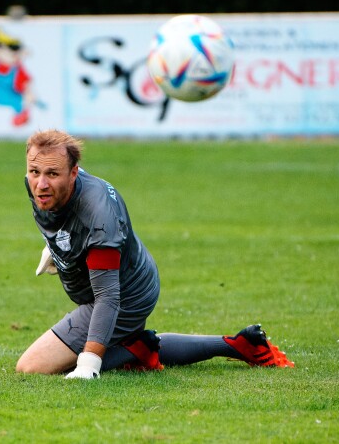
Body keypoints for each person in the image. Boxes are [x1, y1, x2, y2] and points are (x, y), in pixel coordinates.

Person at [16, 129, 293, 378]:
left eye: (52, 174)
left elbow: (108, 297)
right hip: (122, 280)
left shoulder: (98, 215)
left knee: (32, 366)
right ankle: (239, 344)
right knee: (96, 343)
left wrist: (88, 365)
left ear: (74, 172)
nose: (41, 182)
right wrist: (57, 247)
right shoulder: (41, 187)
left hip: (124, 295)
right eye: (34, 171)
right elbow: (62, 219)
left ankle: (133, 349)